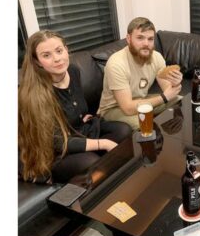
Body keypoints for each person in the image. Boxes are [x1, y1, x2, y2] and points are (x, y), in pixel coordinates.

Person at [18, 30, 131, 184]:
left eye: (59, 51)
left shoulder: (73, 71)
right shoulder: (33, 94)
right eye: (46, 55)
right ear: (37, 61)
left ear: (66, 49)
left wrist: (79, 115)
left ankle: (115, 177)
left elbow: (75, 106)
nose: (57, 59)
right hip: (54, 151)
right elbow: (57, 142)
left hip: (77, 131)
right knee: (90, 163)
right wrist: (103, 143)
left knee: (123, 130)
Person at [97, 17, 183, 130]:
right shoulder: (116, 64)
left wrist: (175, 83)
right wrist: (163, 97)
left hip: (140, 101)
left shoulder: (156, 57)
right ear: (128, 39)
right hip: (114, 109)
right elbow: (127, 108)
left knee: (178, 100)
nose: (146, 43)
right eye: (140, 38)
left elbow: (168, 91)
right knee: (142, 124)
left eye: (150, 39)